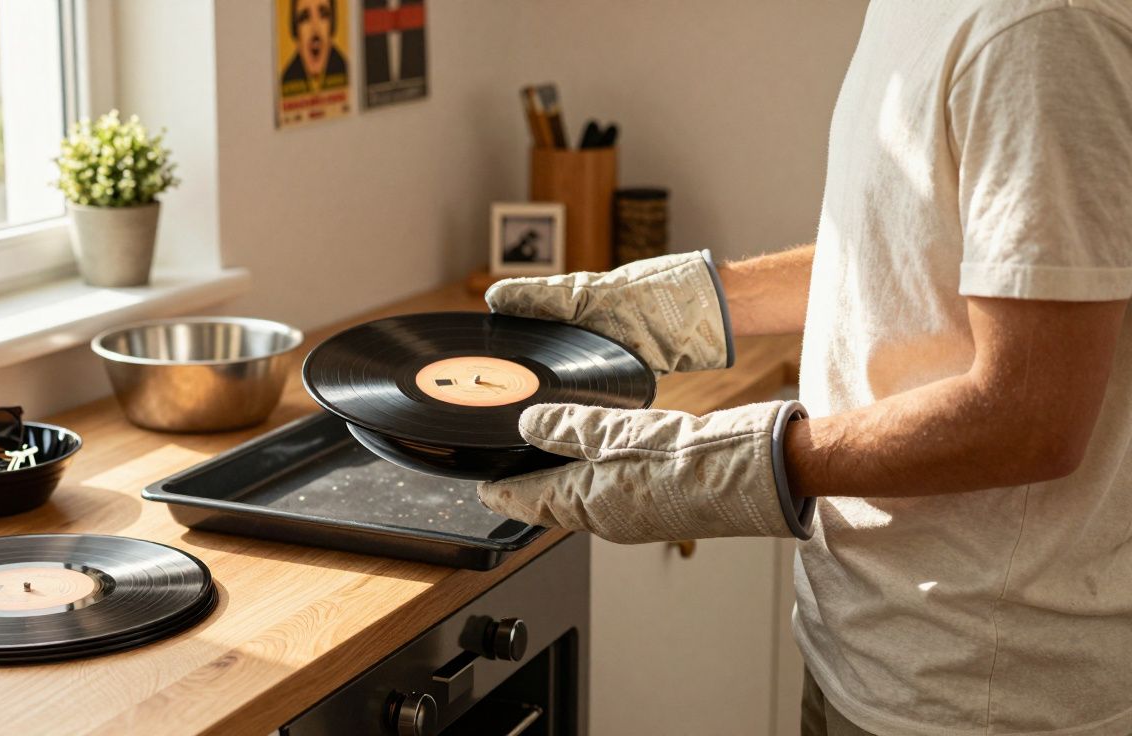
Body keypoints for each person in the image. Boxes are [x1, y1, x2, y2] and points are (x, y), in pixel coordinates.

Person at [478, 2, 1132, 734]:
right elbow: (922, 254)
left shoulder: (1045, 27)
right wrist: (691, 304)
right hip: (855, 647)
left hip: (980, 693)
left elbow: (1031, 415)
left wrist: (722, 467)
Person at [281, 0, 348, 96]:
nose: (315, 29)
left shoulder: (347, 71)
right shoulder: (285, 81)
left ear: (332, 25)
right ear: (296, 30)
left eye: (323, 15)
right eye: (305, 18)